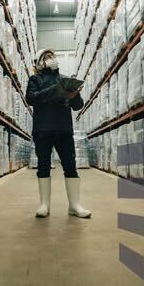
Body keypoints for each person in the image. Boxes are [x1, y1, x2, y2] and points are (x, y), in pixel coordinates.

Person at [26, 48, 92, 219]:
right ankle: (44, 205)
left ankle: (74, 205)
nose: (51, 59)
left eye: (52, 56)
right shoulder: (35, 79)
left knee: (70, 165)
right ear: (39, 62)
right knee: (43, 165)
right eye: (47, 57)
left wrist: (74, 95)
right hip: (43, 129)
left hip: (63, 129)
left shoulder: (65, 79)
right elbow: (31, 98)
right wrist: (55, 90)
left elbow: (78, 106)